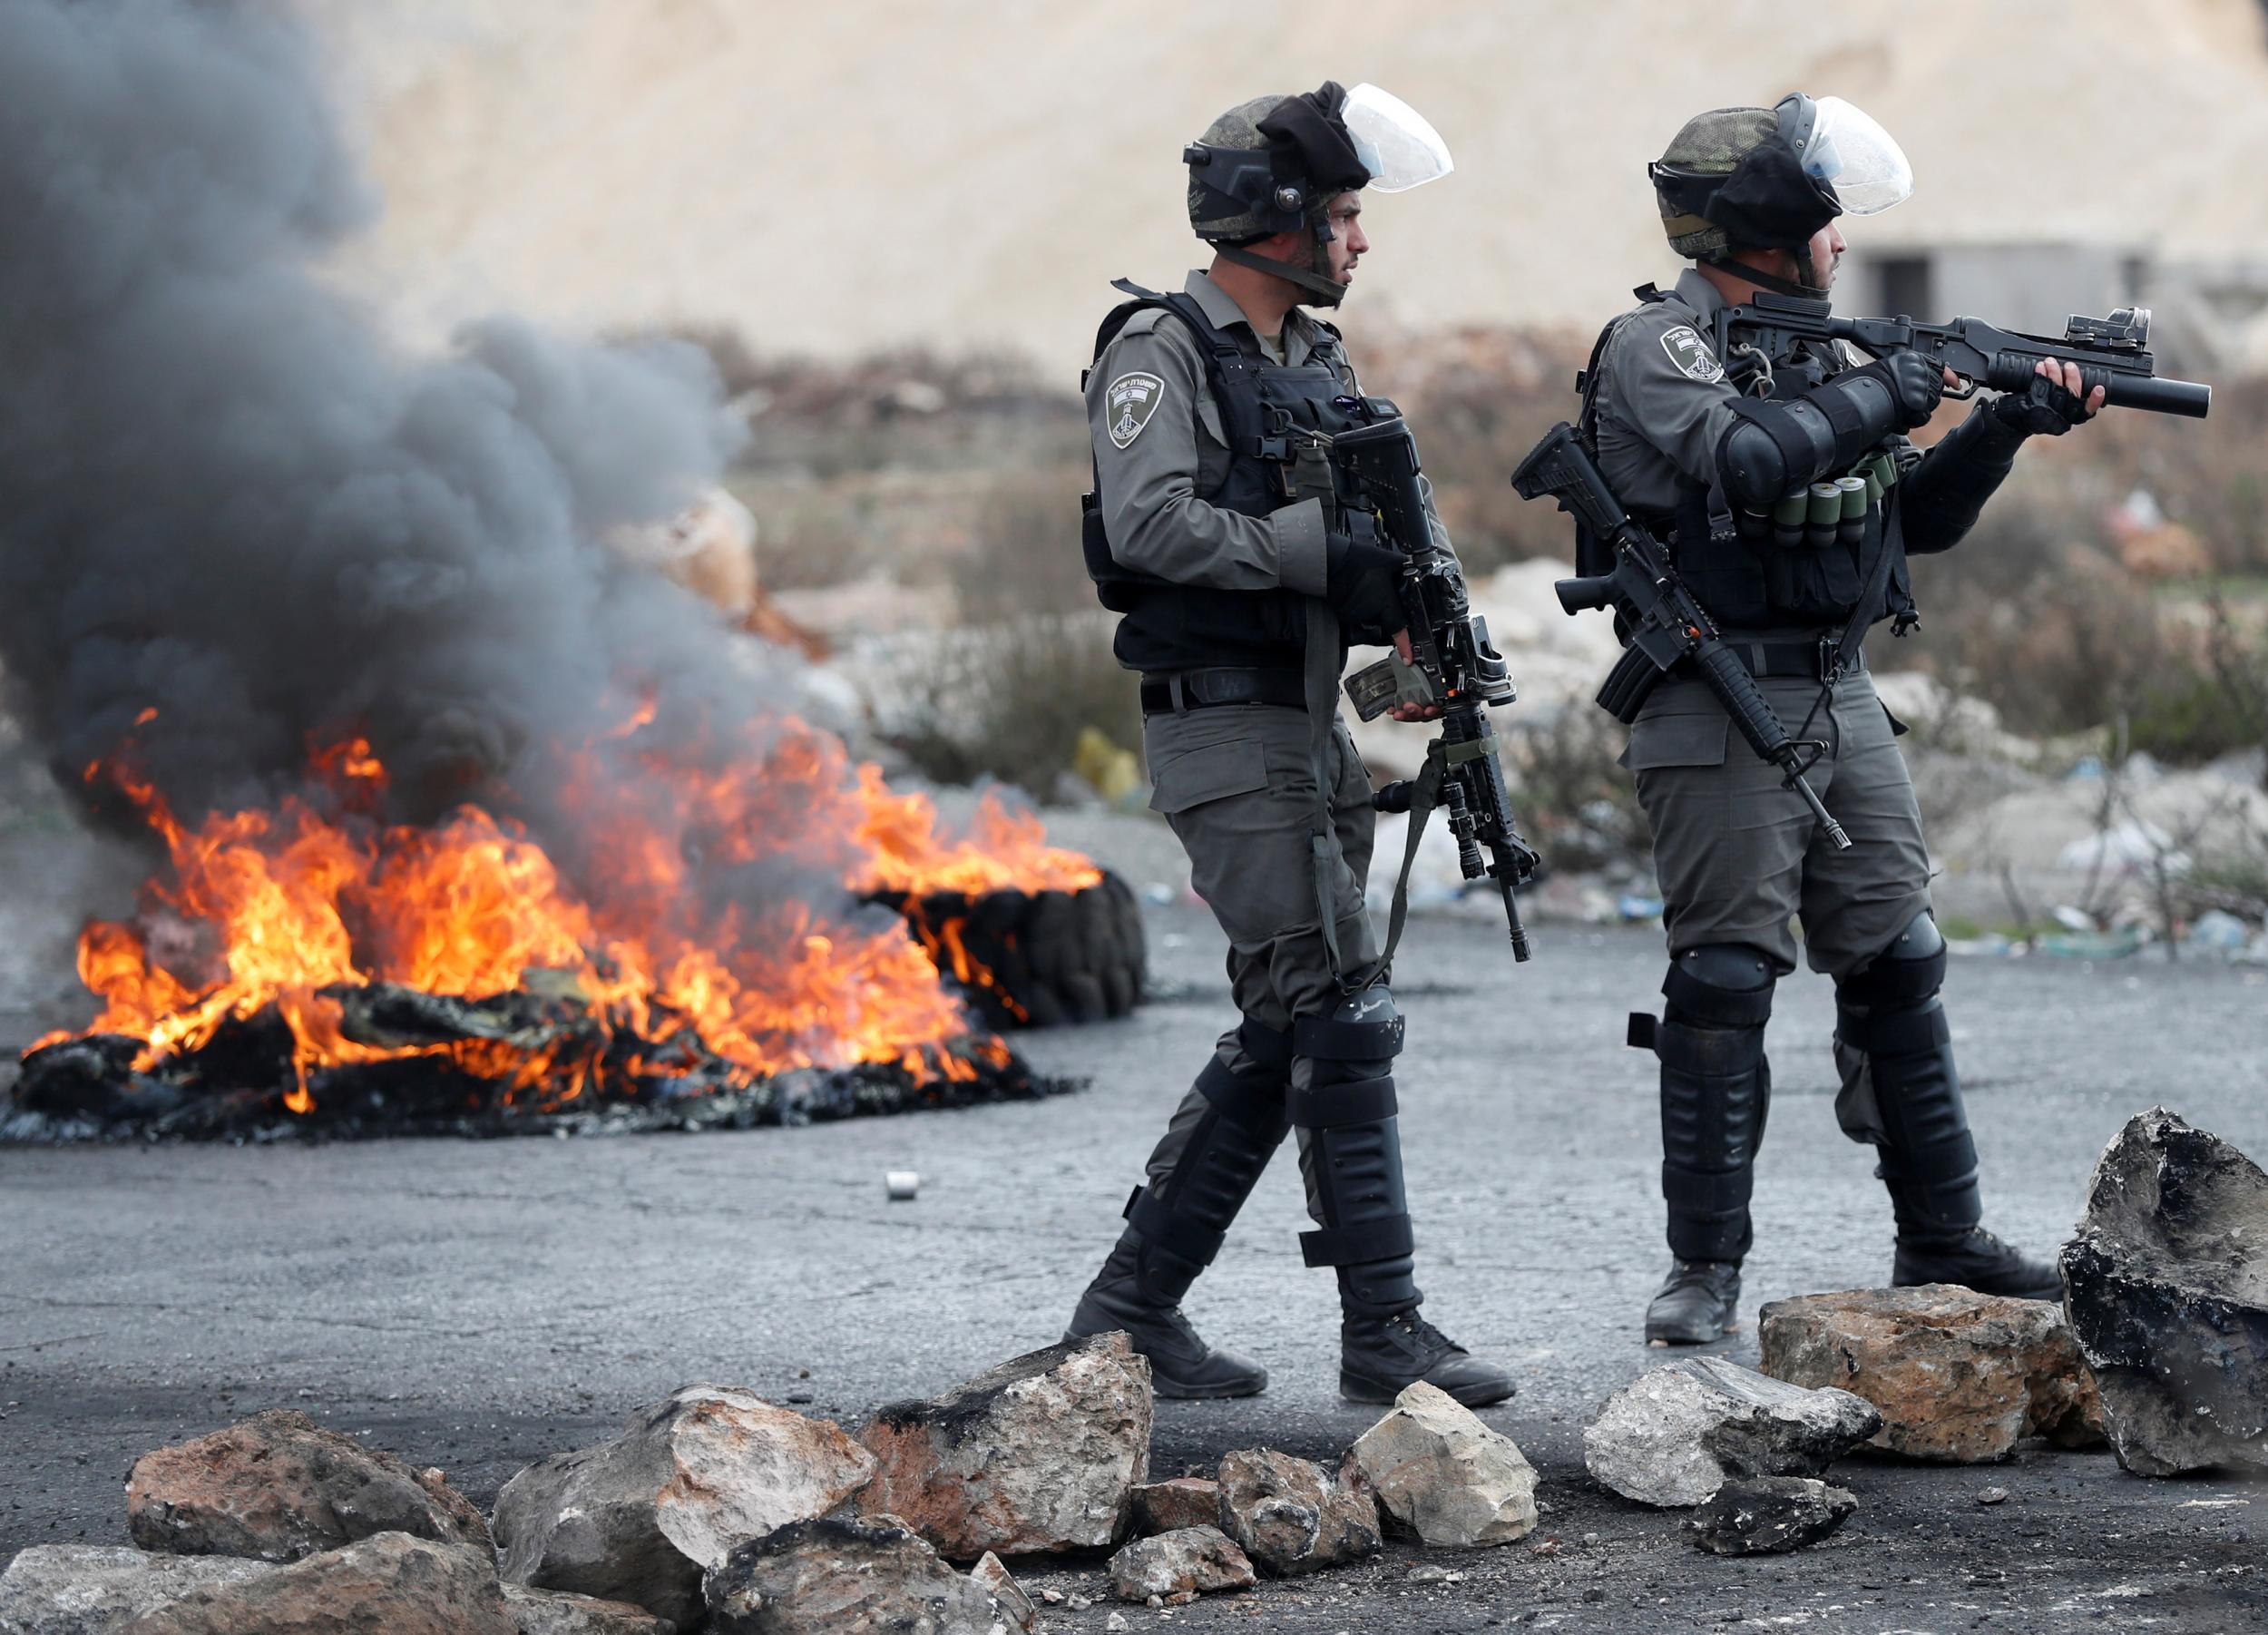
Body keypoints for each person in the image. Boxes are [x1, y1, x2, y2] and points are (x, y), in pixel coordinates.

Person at [1585, 95, 2100, 1345]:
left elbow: (1907, 521)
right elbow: (1746, 461)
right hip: (1714, 690)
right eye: (1824, 224)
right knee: (1724, 980)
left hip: (1835, 682)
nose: (1840, 245)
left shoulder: (1828, 353)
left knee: (1900, 955)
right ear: (1772, 228)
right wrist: (1897, 391)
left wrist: (2002, 423)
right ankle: (1702, 1268)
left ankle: (1942, 1231)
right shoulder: (1662, 345)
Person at [1061, 83, 1514, 1406]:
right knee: (1335, 1009)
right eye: (1345, 213)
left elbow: (1376, 544)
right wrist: (1308, 550)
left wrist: (1416, 645)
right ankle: (1385, 1327)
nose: (1361, 241)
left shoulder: (1317, 365)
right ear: (1272, 219)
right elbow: (1149, 529)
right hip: (1221, 723)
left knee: (1289, 1017)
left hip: (1305, 724)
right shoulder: (1163, 349)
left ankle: (1132, 1308)